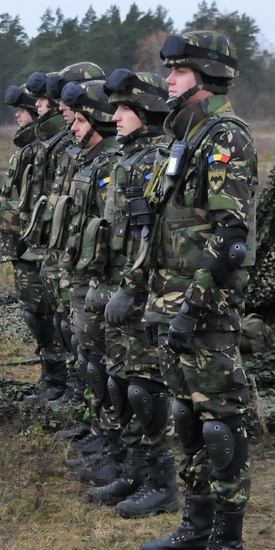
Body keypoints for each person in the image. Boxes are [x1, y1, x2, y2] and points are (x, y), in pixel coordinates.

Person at [136, 30, 258, 550]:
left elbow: (231, 238)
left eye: (178, 73)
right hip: (170, 304)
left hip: (203, 311)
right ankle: (197, 523)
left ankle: (228, 546)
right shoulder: (183, 140)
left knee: (220, 425)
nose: (168, 80)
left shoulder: (225, 139)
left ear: (205, 78)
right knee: (186, 418)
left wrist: (192, 309)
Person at [86, 68, 180, 519]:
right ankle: (136, 471)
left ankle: (161, 482)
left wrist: (128, 289)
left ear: (145, 111)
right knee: (120, 379)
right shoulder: (128, 160)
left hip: (143, 291)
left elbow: (151, 238)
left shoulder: (155, 161)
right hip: (121, 287)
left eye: (124, 109)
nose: (115, 116)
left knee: (146, 387)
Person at [52, 78, 125, 485]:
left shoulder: (112, 161)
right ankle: (101, 434)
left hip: (99, 280)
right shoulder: (88, 158)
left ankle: (114, 445)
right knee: (87, 356)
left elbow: (114, 231)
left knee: (104, 363)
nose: (73, 128)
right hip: (80, 273)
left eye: (79, 120)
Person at [20, 62, 104, 410]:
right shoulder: (68, 146)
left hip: (85, 265)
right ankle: (70, 388)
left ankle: (81, 398)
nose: (53, 106)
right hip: (61, 256)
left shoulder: (95, 152)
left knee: (84, 338)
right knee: (63, 325)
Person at [0, 84, 65, 401]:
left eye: (24, 110)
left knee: (50, 315)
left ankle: (59, 380)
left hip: (39, 247)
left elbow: (44, 205)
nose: (17, 115)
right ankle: (51, 375)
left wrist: (13, 221)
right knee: (36, 313)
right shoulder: (29, 150)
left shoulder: (47, 150)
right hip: (24, 244)